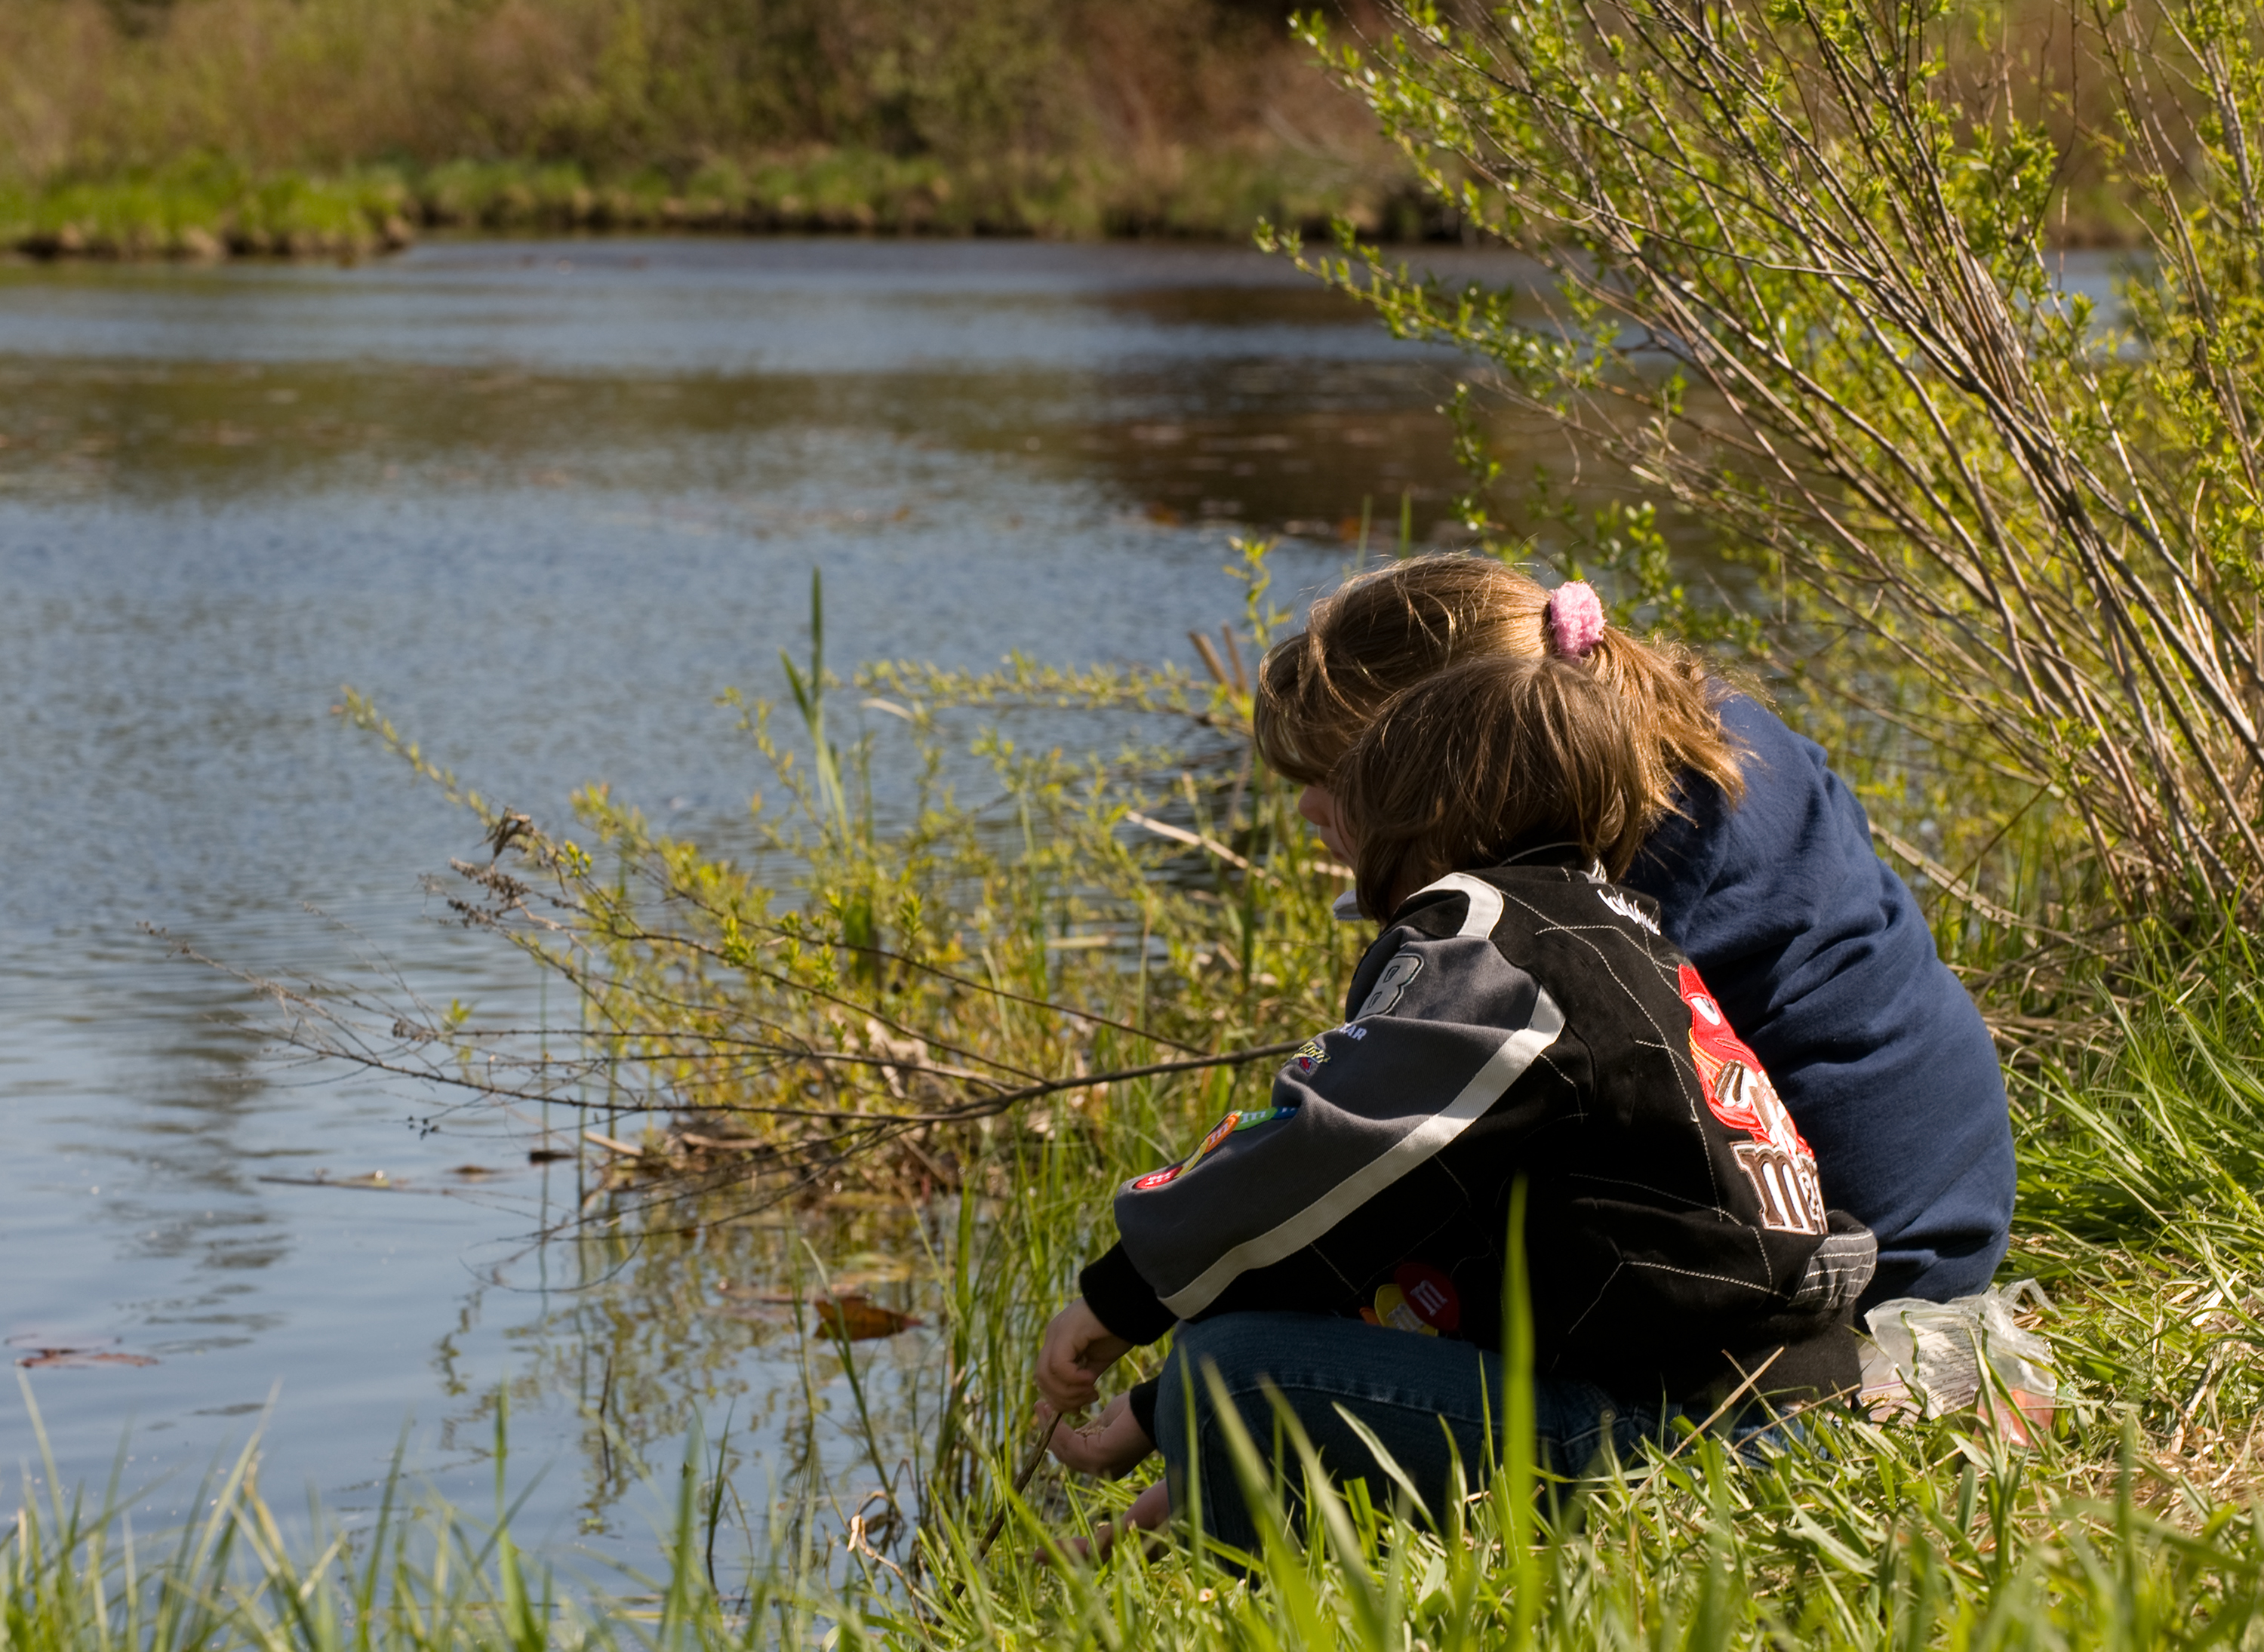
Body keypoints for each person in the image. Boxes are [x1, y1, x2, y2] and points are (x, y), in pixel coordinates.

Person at [1035, 638, 1881, 1559]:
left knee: (1231, 1377)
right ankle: (1190, 1538)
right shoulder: (1624, 938)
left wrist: (1121, 1296)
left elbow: (1325, 1155)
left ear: (1423, 807)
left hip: (1686, 1434)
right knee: (1224, 1375)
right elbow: (1415, 1236)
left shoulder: (1491, 943)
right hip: (1776, 1399)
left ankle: (1241, 1586)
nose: (1325, 812)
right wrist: (1159, 1415)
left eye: (1357, 787)